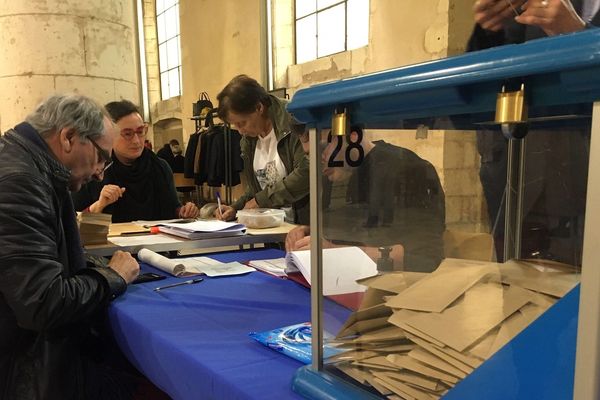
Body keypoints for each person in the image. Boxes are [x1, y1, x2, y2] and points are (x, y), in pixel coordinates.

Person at [0, 94, 140, 399]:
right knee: (135, 377)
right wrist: (112, 277)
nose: (101, 172)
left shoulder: (32, 165)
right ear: (69, 137)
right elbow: (42, 303)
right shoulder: (20, 181)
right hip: (24, 369)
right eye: (102, 156)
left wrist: (92, 266)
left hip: (24, 351)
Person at [468, 0, 598, 264]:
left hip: (587, 190)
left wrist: (577, 34)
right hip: (520, 189)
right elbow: (483, 88)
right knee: (522, 299)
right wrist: (490, 27)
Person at [286, 126, 446, 273]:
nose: (318, 160)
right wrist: (309, 230)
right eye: (309, 154)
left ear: (353, 137)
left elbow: (425, 259)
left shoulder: (409, 170)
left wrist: (334, 252)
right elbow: (356, 228)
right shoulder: (336, 172)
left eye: (322, 149)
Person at [72, 100, 199, 222]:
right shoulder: (92, 170)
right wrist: (99, 205)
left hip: (155, 241)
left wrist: (183, 212)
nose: (137, 141)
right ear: (109, 134)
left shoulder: (160, 167)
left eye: (140, 131)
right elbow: (73, 222)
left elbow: (172, 209)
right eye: (127, 134)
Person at [213, 75, 310, 224]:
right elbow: (258, 186)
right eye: (235, 125)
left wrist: (261, 200)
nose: (240, 131)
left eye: (242, 123)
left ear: (259, 107)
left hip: (303, 224)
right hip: (273, 228)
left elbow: (306, 172)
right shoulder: (249, 141)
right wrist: (236, 208)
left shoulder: (294, 121)